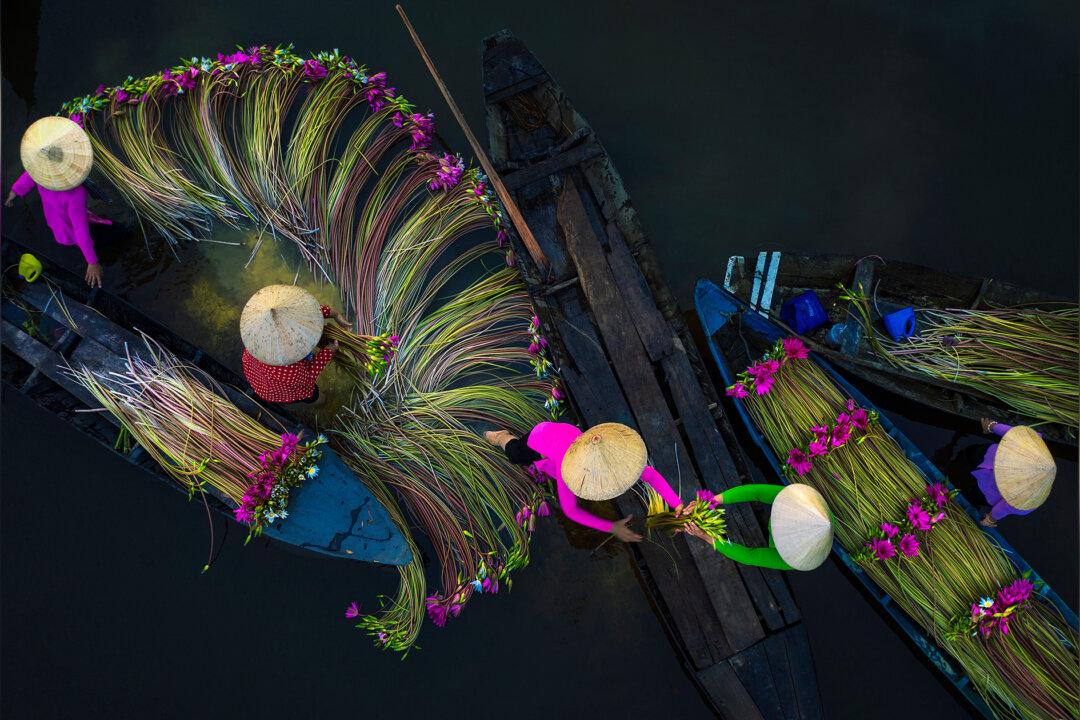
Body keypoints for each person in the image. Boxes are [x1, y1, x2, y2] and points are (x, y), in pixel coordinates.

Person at [485, 422, 689, 543]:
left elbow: (651, 476)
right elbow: (570, 510)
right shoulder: (569, 472)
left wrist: (677, 504)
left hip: (567, 434)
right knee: (515, 454)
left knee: (551, 459)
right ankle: (501, 437)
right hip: (539, 438)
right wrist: (612, 527)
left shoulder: (614, 455)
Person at [6, 117, 108, 288]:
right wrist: (92, 262)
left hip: (54, 222)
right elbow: (80, 229)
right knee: (93, 234)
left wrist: (14, 192)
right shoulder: (76, 193)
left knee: (68, 226)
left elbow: (27, 178)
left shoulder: (40, 174)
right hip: (70, 233)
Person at [239, 285, 350, 405]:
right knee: (315, 396)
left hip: (256, 365)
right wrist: (329, 351)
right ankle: (323, 403)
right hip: (277, 388)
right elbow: (308, 379)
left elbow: (305, 312)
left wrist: (335, 314)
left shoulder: (260, 324)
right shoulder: (286, 368)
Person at [682, 483, 833, 571]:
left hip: (779, 546)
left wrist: (707, 537)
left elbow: (750, 556)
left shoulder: (793, 558)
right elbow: (757, 492)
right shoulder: (796, 500)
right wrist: (714, 500)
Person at [971, 418, 1056, 527]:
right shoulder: (1026, 498)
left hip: (987, 457)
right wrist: (990, 519)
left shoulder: (1032, 444)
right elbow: (1003, 508)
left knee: (971, 455)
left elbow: (1011, 433)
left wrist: (991, 426)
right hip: (988, 483)